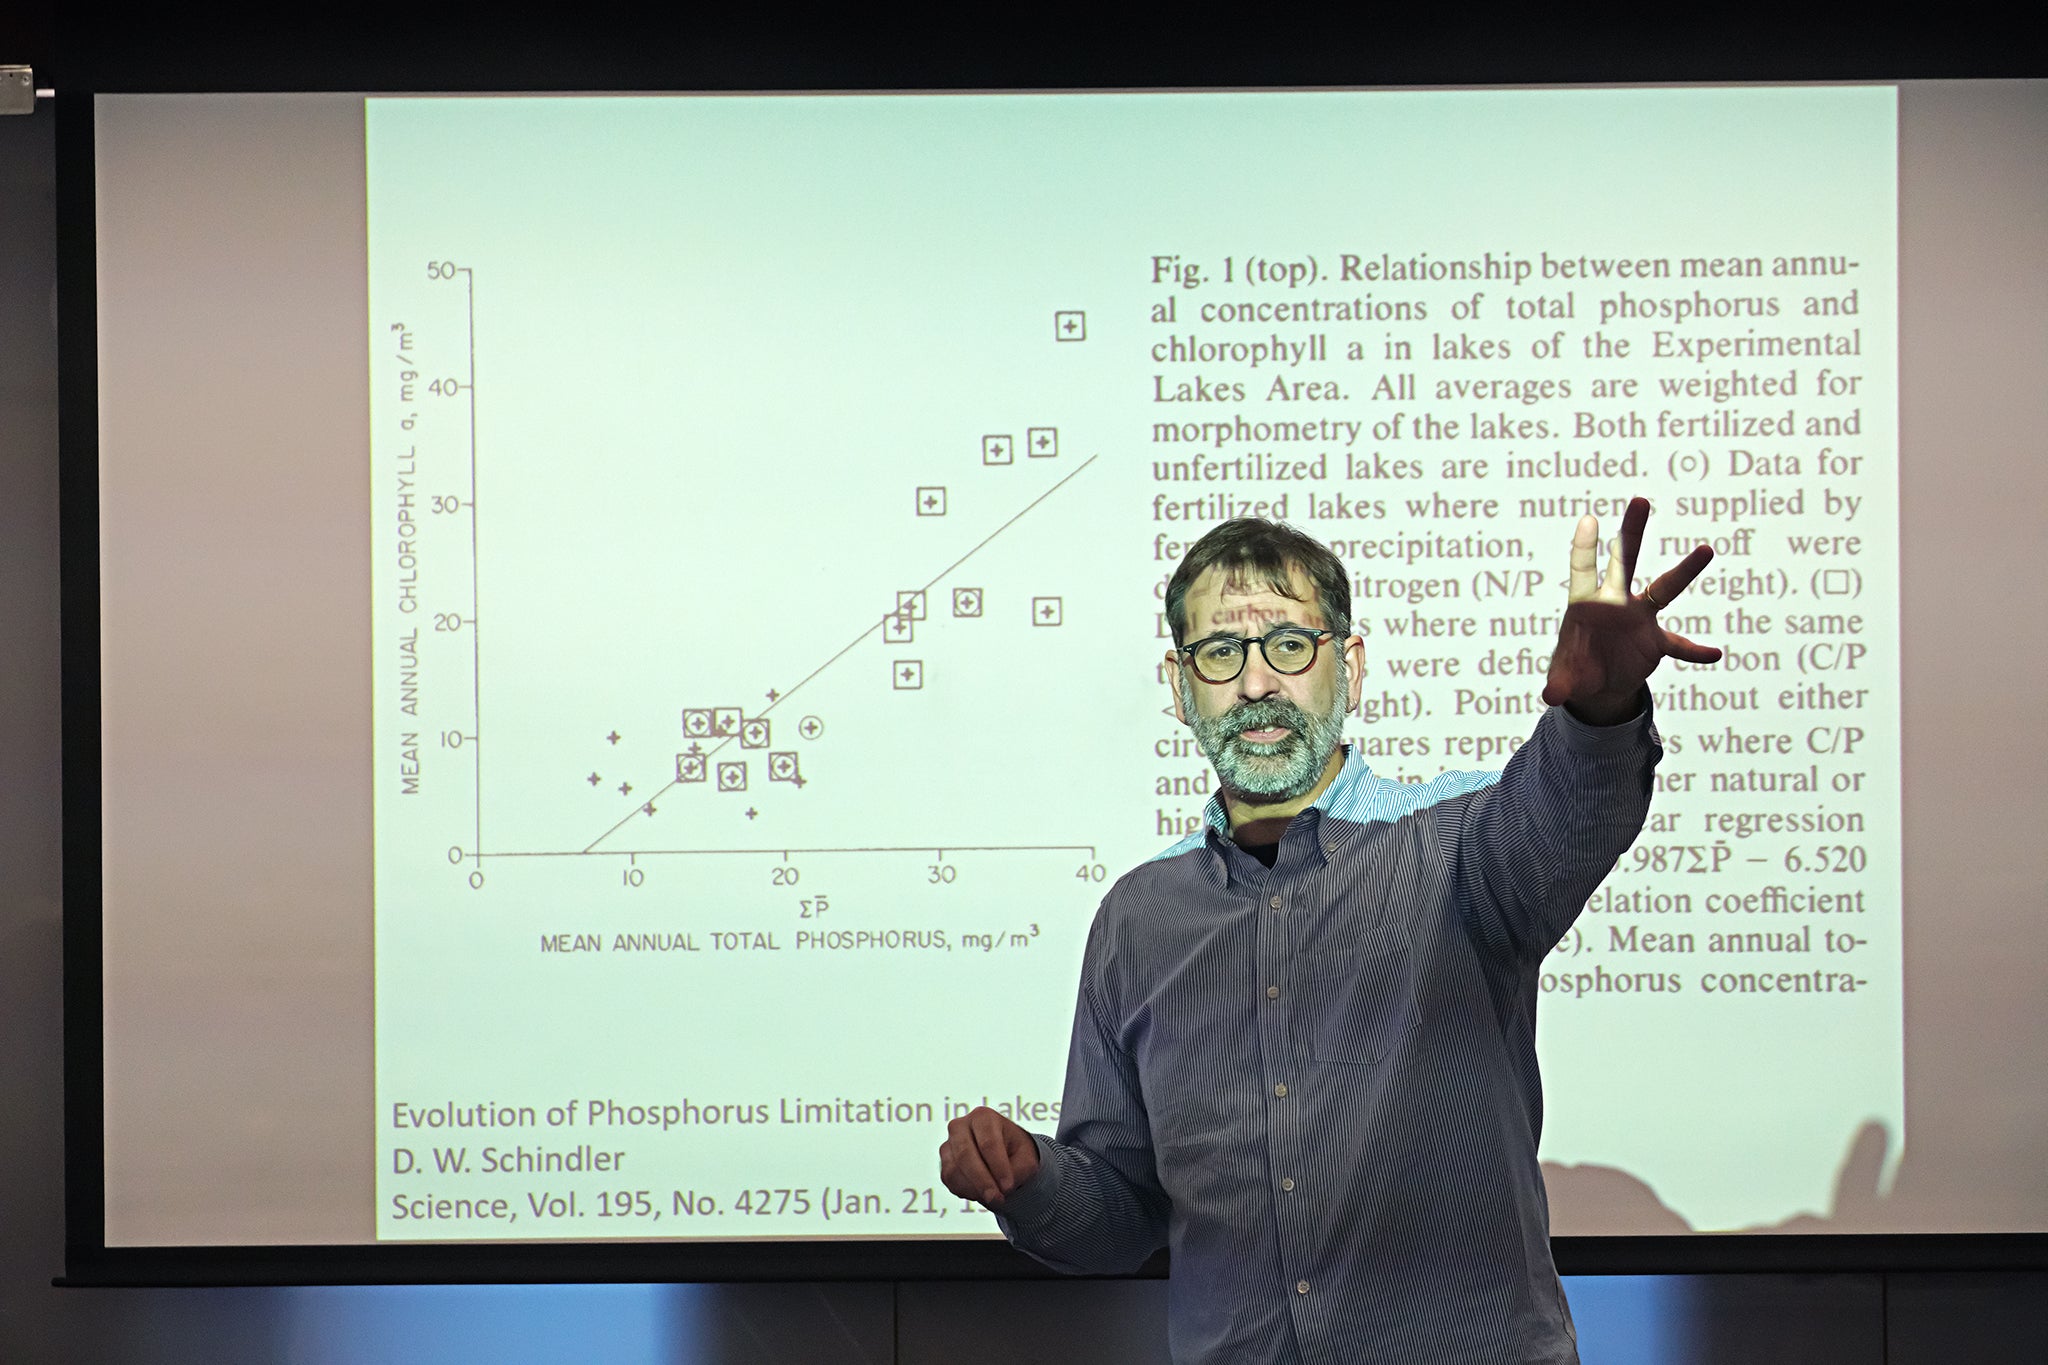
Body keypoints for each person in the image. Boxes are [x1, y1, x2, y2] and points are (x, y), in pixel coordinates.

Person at [937, 498, 1719, 1364]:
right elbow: (1122, 1217)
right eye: (1221, 652)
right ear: (1179, 686)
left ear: (1349, 667)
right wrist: (1031, 1181)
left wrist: (1600, 710)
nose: (1258, 683)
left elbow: (1572, 814)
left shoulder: (1459, 846)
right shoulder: (1139, 918)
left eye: (1289, 646)